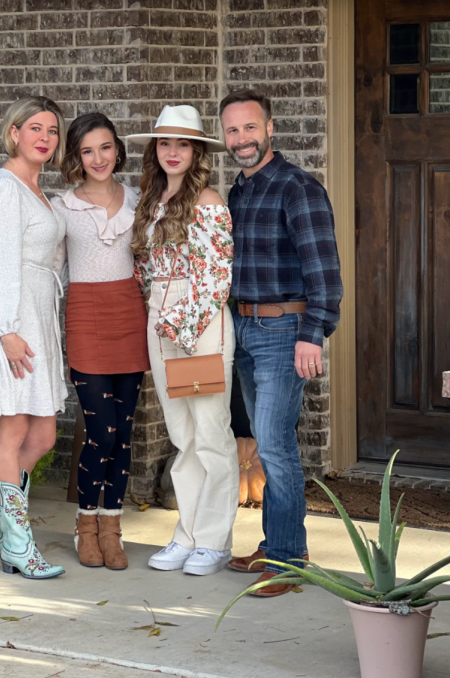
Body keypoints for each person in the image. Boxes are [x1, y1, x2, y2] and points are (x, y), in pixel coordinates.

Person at [219, 89, 343, 596]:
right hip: (245, 330)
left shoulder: (298, 189)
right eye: (232, 130)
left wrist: (312, 335)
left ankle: (290, 560)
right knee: (269, 443)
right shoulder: (239, 192)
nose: (241, 139)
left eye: (250, 128)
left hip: (284, 333)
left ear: (270, 128)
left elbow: (325, 274)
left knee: (273, 444)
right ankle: (277, 544)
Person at [0, 96, 68, 580]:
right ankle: (18, 547)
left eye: (53, 131)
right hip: (11, 324)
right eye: (35, 128)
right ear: (15, 133)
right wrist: (5, 331)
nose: (45, 137)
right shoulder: (6, 188)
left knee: (43, 434)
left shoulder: (38, 190)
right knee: (13, 434)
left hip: (37, 319)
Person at [127, 105, 238, 576]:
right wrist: (156, 322)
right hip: (161, 323)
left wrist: (184, 328)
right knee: (182, 436)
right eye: (165, 143)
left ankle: (214, 541)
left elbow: (215, 277)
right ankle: (187, 534)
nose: (173, 152)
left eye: (183, 144)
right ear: (156, 149)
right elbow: (146, 272)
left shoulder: (208, 201)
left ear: (196, 152)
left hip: (201, 326)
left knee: (212, 435)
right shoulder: (150, 202)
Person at [50, 113, 149, 571]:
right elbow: (50, 271)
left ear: (118, 150)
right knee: (101, 429)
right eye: (87, 151)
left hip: (129, 312)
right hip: (86, 316)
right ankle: (85, 525)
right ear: (76, 156)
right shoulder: (62, 207)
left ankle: (113, 528)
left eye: (105, 147)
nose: (98, 158)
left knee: (124, 432)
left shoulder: (139, 199)